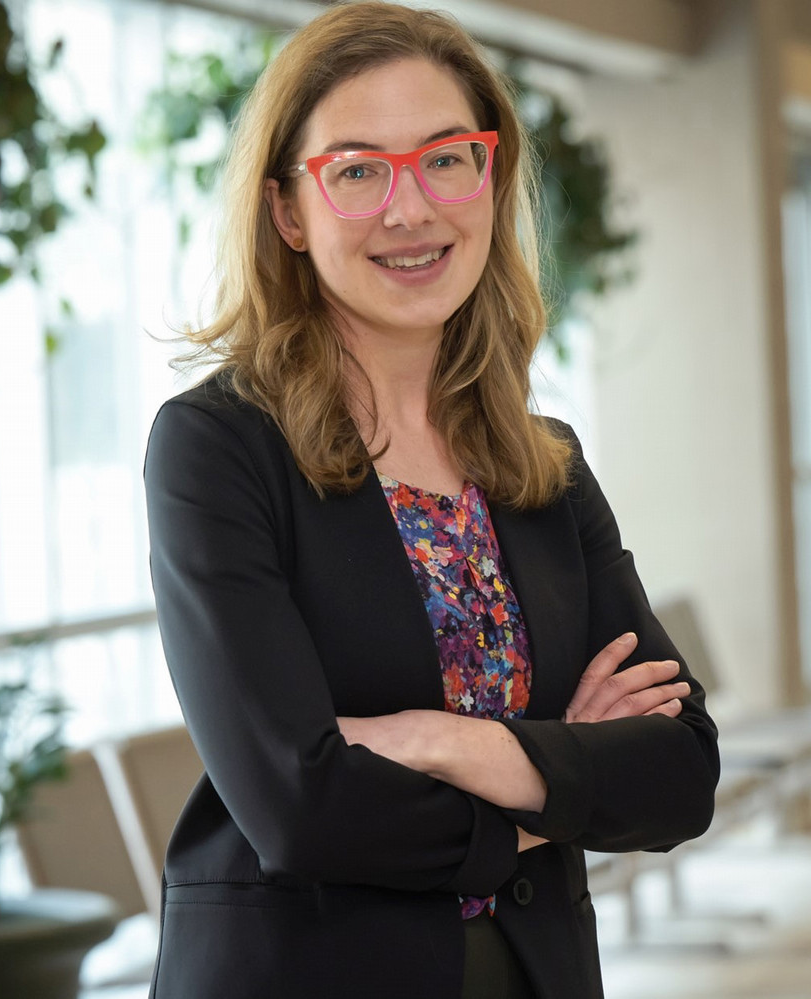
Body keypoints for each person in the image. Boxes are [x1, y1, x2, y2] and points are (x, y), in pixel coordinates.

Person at [142, 3, 719, 996]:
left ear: (487, 180)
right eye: (357, 172)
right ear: (289, 210)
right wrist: (563, 779)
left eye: (445, 159)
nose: (410, 210)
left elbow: (679, 773)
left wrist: (446, 744)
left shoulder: (542, 464)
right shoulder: (219, 448)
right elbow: (301, 807)